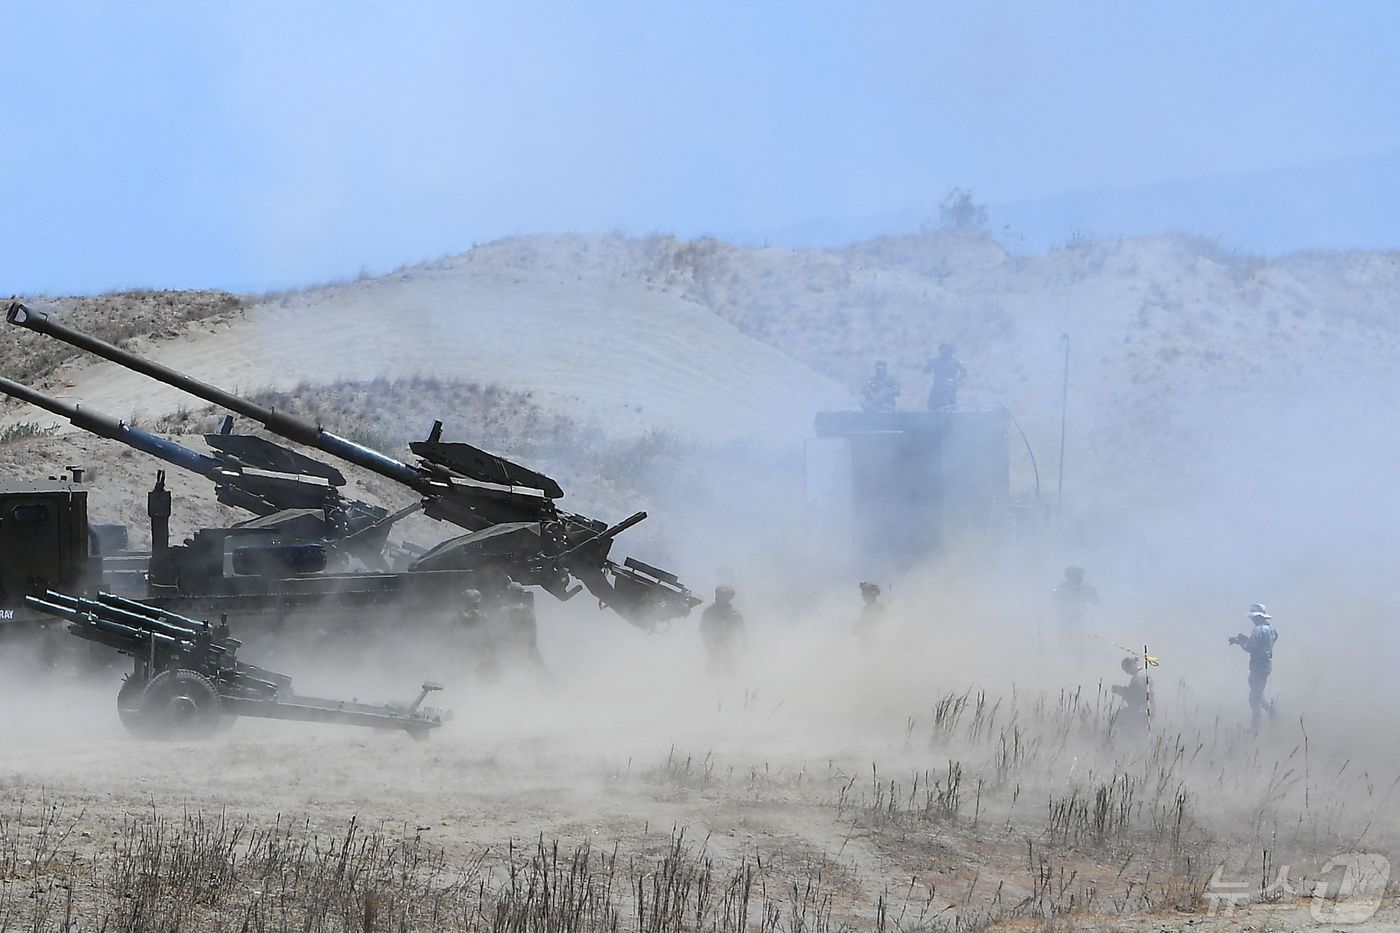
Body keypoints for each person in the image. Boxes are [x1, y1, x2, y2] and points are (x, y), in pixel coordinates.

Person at [1229, 603, 1278, 732]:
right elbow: (1267, 642)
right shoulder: (1271, 628)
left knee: (1254, 697)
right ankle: (1271, 714)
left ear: (1257, 617)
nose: (1252, 620)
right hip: (1266, 665)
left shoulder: (1258, 629)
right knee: (1257, 693)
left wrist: (1239, 642)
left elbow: (1250, 647)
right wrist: (1246, 639)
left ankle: (1257, 726)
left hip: (1257, 666)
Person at [499, 580, 550, 679]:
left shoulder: (503, 611)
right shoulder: (528, 611)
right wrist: (532, 648)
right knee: (541, 669)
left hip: (508, 648)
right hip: (525, 646)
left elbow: (498, 632)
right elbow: (533, 631)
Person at [699, 584, 745, 676]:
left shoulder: (735, 614)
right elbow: (703, 630)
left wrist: (744, 644)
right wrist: (709, 645)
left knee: (732, 671)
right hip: (715, 646)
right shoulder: (710, 612)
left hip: (730, 646)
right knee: (714, 670)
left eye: (727, 595)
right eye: (722, 595)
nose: (724, 598)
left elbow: (742, 632)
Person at [1052, 566, 1099, 635]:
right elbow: (1055, 600)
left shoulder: (1085, 588)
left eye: (1080, 575)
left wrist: (1093, 594)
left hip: (1080, 620)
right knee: (1065, 639)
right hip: (1066, 620)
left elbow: (1095, 602)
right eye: (1077, 575)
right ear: (1070, 576)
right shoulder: (1062, 588)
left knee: (1078, 639)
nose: (1080, 577)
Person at [1111, 656, 1150, 738]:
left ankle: (1129, 742)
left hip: (1141, 710)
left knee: (1117, 718)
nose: (1127, 673)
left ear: (1132, 665)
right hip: (1143, 709)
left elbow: (1135, 699)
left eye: (1126, 670)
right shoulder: (1141, 675)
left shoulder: (1139, 678)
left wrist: (1121, 692)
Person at [924, 344, 966, 410]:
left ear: (950, 352)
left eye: (946, 352)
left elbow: (964, 372)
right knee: (933, 405)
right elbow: (926, 371)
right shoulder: (936, 361)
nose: (944, 354)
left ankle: (952, 417)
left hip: (950, 387)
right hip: (937, 387)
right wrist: (928, 365)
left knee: (951, 404)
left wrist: (955, 379)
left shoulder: (955, 362)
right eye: (942, 352)